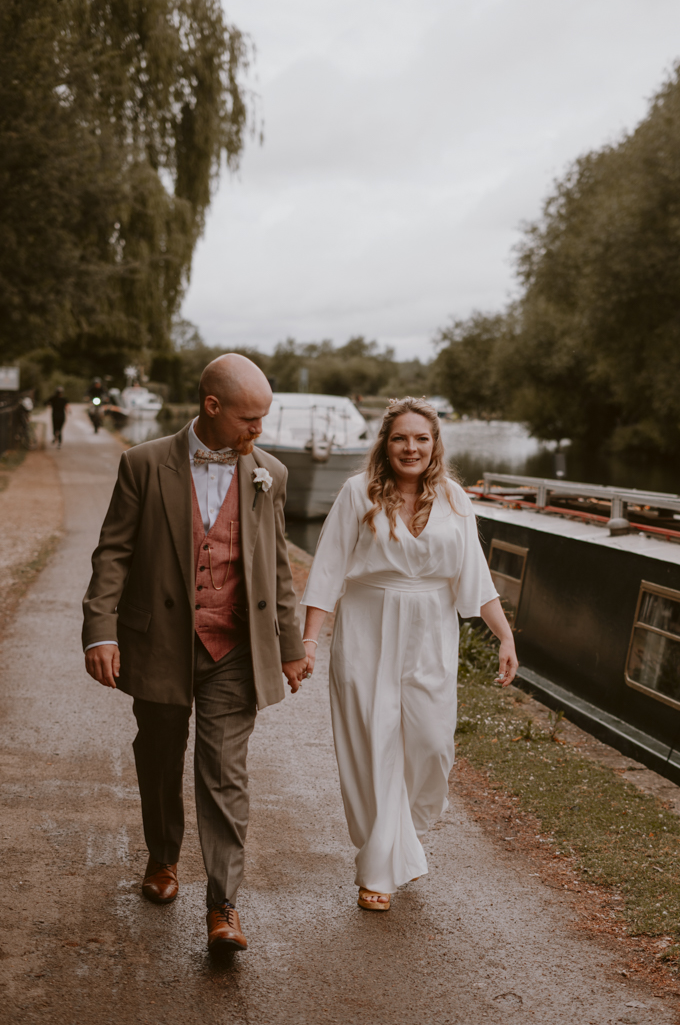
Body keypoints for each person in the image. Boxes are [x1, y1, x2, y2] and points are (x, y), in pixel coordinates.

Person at [82, 354, 308, 952]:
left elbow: (277, 567)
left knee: (225, 772)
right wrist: (100, 631)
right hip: (159, 643)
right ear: (212, 406)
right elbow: (113, 553)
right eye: (249, 418)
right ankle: (162, 858)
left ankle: (223, 906)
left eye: (263, 418)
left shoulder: (270, 474)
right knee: (160, 755)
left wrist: (290, 646)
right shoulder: (143, 464)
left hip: (233, 648)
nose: (258, 429)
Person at [300, 397, 519, 911]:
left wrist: (505, 637)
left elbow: (475, 576)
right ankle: (378, 870)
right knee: (373, 743)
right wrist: (309, 641)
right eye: (400, 438)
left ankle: (404, 834)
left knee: (432, 743)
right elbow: (327, 570)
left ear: (435, 444)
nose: (411, 448)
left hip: (431, 633)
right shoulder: (357, 492)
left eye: (421, 438)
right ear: (385, 443)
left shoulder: (454, 498)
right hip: (366, 628)